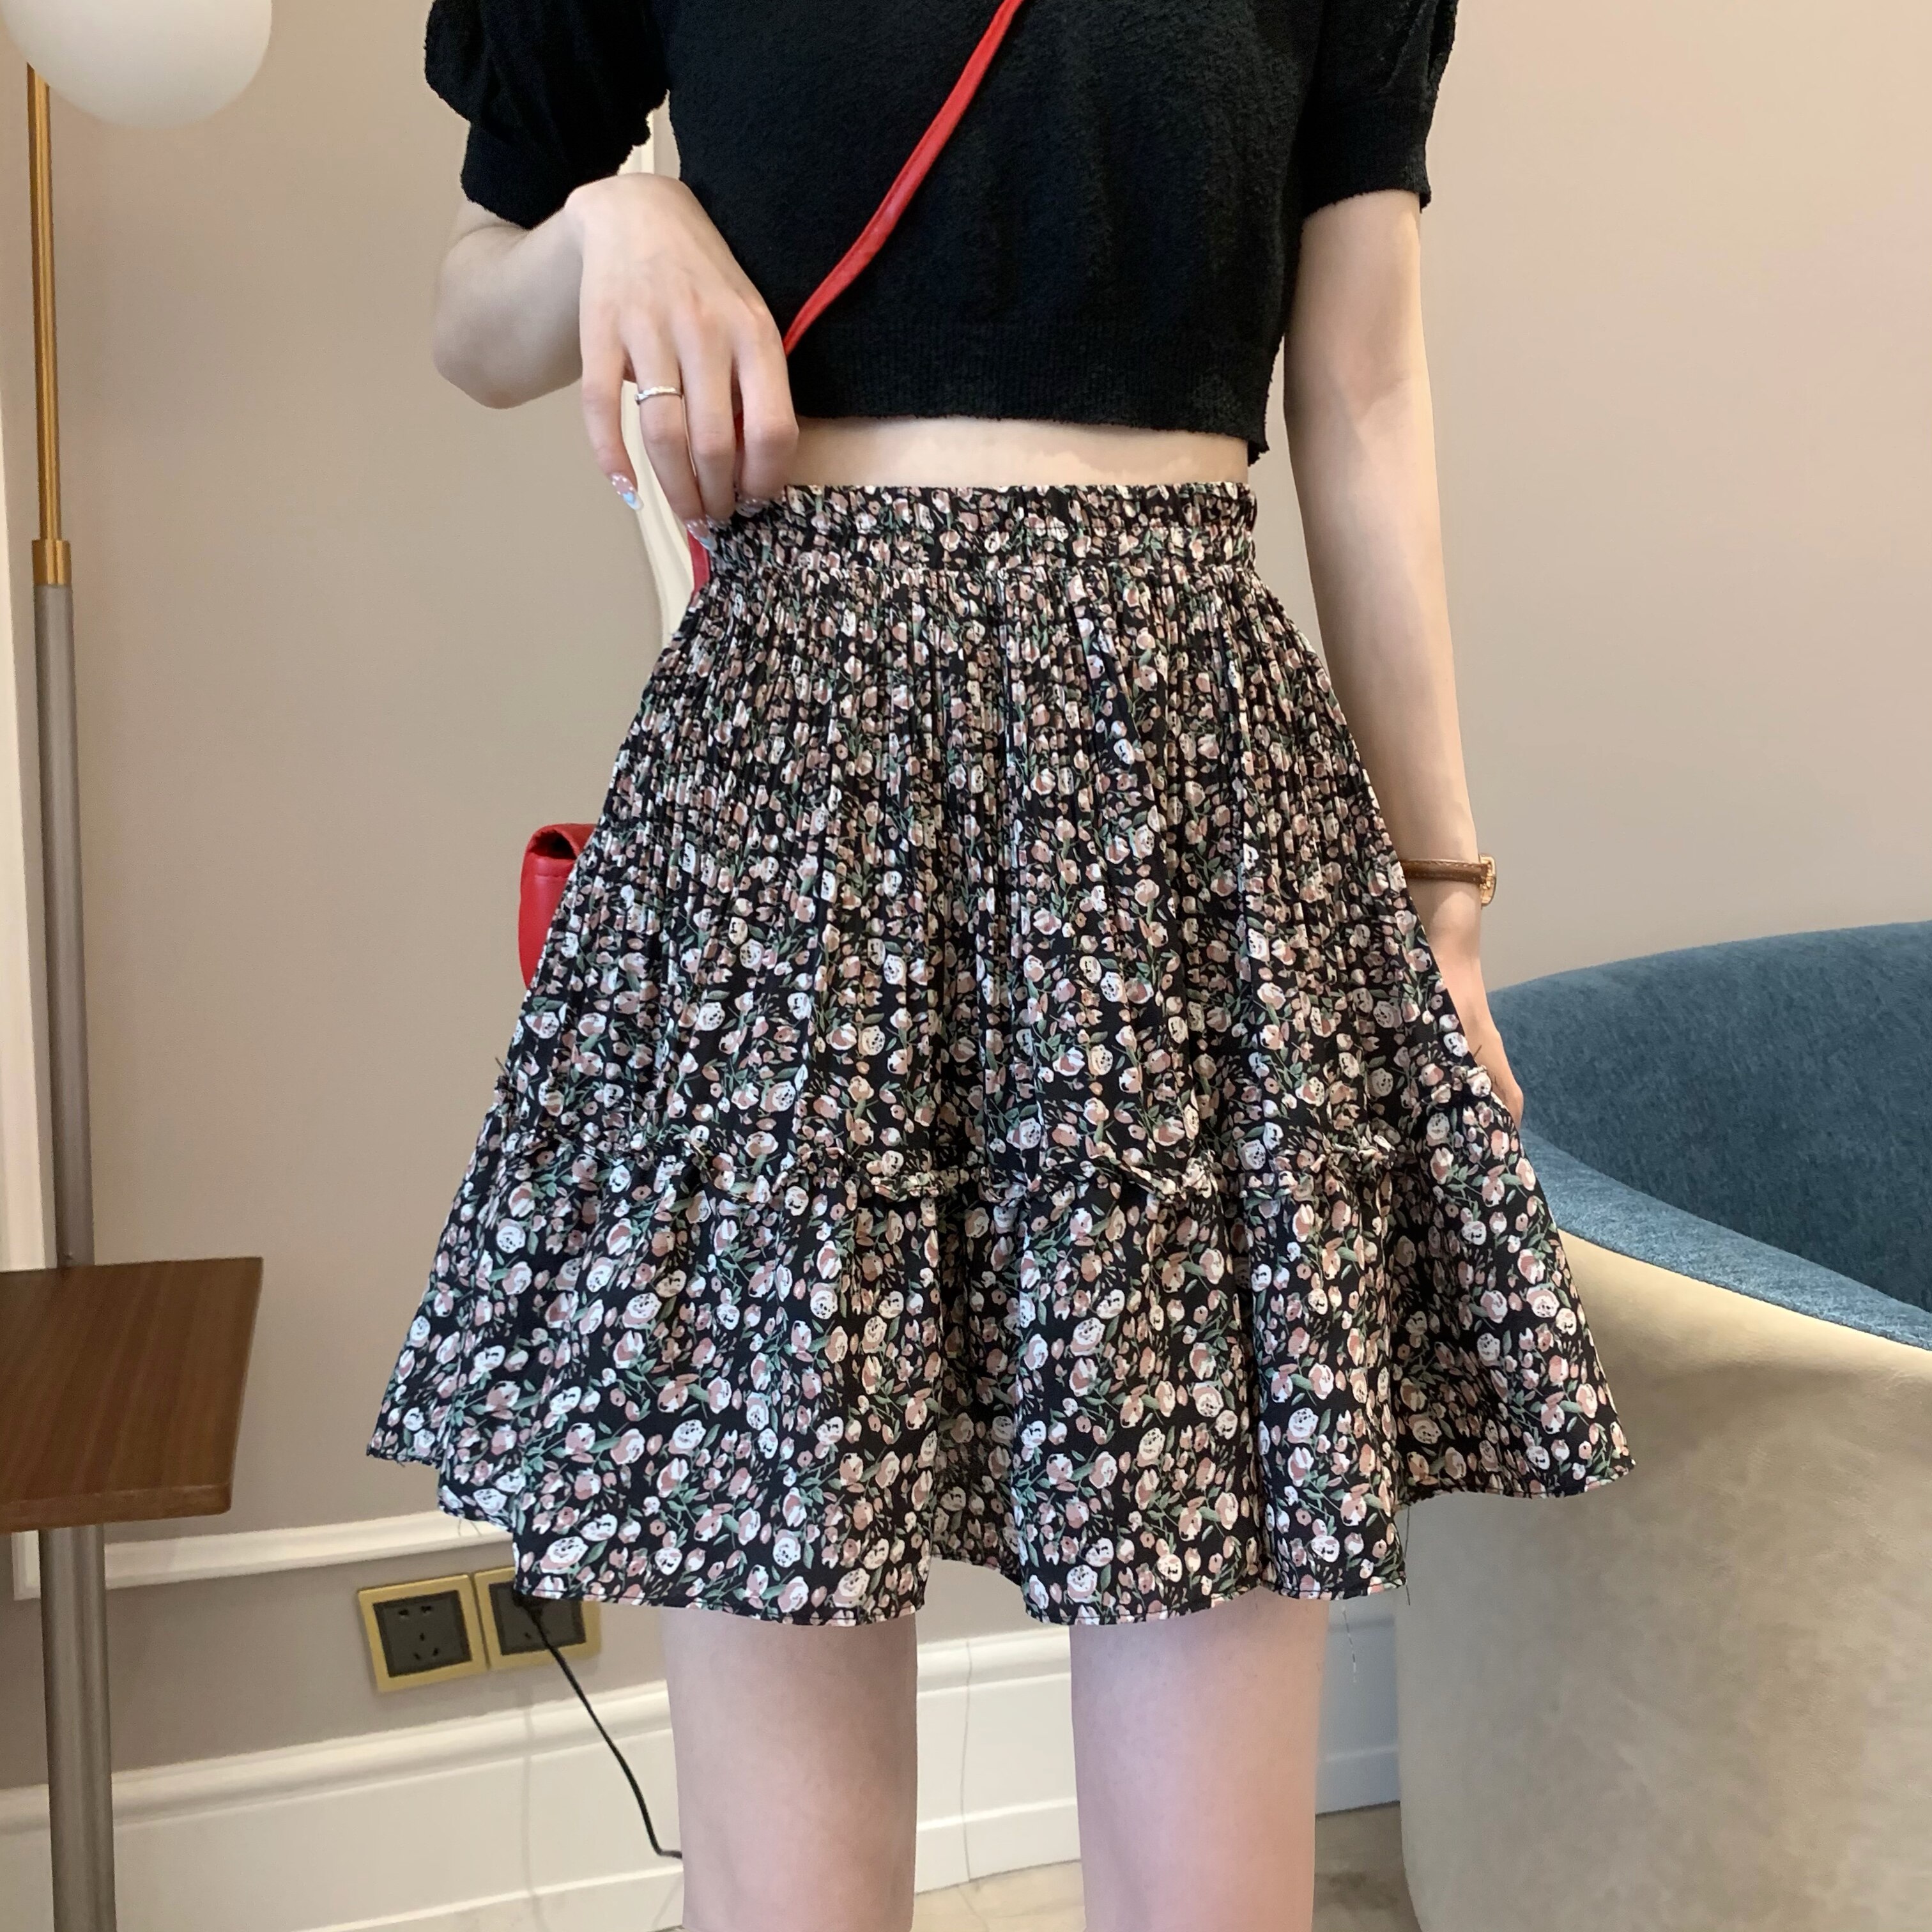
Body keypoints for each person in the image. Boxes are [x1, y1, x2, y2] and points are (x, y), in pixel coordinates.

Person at [369, 5, 1634, 1928]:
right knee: (787, 1874)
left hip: (1184, 813)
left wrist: (1440, 901)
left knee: (1209, 1876)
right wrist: (609, 229)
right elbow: (472, 315)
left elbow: (1363, 400)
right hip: (795, 810)